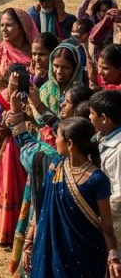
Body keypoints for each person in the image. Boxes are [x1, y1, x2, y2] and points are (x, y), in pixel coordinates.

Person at [13, 116, 118, 278]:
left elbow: (107, 225)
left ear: (69, 144)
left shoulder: (97, 180)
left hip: (84, 256)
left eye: (58, 137)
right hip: (47, 250)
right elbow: (42, 207)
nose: (55, 141)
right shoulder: (55, 167)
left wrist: (113, 255)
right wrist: (29, 240)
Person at [0, 7, 36, 245]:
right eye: (1, 25)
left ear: (22, 28)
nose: (4, 29)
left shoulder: (35, 54)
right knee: (1, 174)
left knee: (21, 173)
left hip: (26, 121)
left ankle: (19, 230)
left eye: (9, 25)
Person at [90, 91, 121, 243]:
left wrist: (99, 209)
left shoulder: (119, 150)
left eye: (91, 114)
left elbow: (119, 195)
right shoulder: (103, 138)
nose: (89, 117)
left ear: (103, 118)